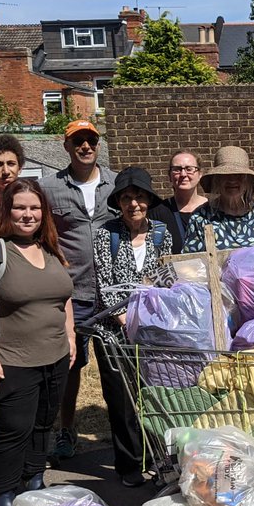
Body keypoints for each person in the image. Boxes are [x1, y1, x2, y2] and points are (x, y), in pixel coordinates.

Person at [0, 179, 74, 506]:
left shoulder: (50, 247)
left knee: (43, 424)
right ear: (6, 210)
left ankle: (34, 480)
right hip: (11, 361)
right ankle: (4, 496)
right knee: (14, 429)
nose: (28, 215)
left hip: (54, 357)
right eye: (20, 207)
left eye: (35, 208)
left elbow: (64, 296)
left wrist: (69, 335)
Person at [92, 167, 173, 487]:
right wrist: (125, 319)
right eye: (127, 198)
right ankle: (128, 464)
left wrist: (154, 318)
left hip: (152, 330)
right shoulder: (105, 234)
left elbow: (167, 278)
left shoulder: (161, 233)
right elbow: (105, 284)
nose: (134, 204)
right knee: (123, 400)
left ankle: (156, 458)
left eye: (139, 197)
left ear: (148, 200)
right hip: (114, 332)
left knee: (153, 395)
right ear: (119, 202)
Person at [40, 118, 113, 461]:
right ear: (66, 146)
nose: (86, 146)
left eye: (91, 140)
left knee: (120, 365)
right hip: (75, 293)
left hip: (115, 292)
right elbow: (43, 236)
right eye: (78, 141)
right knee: (71, 366)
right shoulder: (49, 187)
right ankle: (66, 430)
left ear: (98, 144)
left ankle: (126, 428)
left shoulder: (115, 183)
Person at [184, 146, 254, 251]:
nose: (232, 180)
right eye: (225, 175)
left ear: (247, 181)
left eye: (238, 175)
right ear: (217, 180)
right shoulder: (200, 217)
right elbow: (190, 262)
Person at [149, 149, 207, 254]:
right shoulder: (157, 212)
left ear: (200, 174)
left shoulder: (214, 209)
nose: (183, 174)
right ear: (170, 175)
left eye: (189, 169)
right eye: (177, 169)